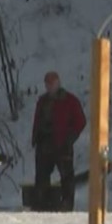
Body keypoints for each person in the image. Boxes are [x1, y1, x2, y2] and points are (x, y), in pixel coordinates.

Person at [31, 71, 86, 211]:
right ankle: (42, 204)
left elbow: (80, 121)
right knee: (41, 176)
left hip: (62, 143)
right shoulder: (42, 101)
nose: (49, 86)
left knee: (66, 177)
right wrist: (36, 138)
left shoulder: (69, 101)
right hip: (44, 143)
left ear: (58, 83)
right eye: (47, 83)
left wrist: (70, 138)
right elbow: (37, 120)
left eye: (52, 83)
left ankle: (67, 204)